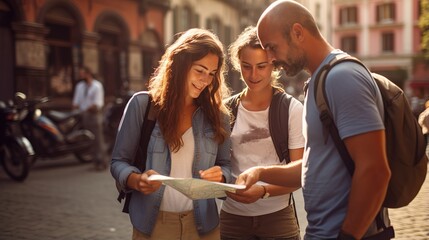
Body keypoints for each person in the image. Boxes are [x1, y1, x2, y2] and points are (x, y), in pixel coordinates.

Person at [235, 1, 392, 239]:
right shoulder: (319, 81)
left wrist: (347, 236)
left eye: (272, 47)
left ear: (297, 33)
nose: (271, 59)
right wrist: (260, 172)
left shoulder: (341, 78)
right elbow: (313, 166)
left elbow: (375, 171)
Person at [110, 28, 232, 240]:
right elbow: (118, 162)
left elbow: (226, 165)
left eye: (212, 74)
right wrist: (136, 180)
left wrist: (221, 175)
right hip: (154, 225)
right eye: (200, 70)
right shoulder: (143, 105)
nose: (205, 80)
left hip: (204, 227)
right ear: (180, 64)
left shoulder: (218, 116)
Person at [220, 26, 304, 240]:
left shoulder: (291, 109)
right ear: (238, 66)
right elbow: (218, 163)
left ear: (274, 66)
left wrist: (263, 191)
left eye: (261, 66)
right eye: (246, 66)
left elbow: (300, 174)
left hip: (277, 217)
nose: (254, 75)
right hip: (232, 217)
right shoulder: (225, 110)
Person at [72, 66, 106, 171]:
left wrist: (89, 108)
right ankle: (95, 161)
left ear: (88, 74)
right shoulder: (80, 86)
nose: (80, 75)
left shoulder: (97, 86)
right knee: (89, 139)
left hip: (94, 115)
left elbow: (98, 103)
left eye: (82, 73)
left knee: (97, 140)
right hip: (83, 115)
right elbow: (76, 102)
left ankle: (101, 162)